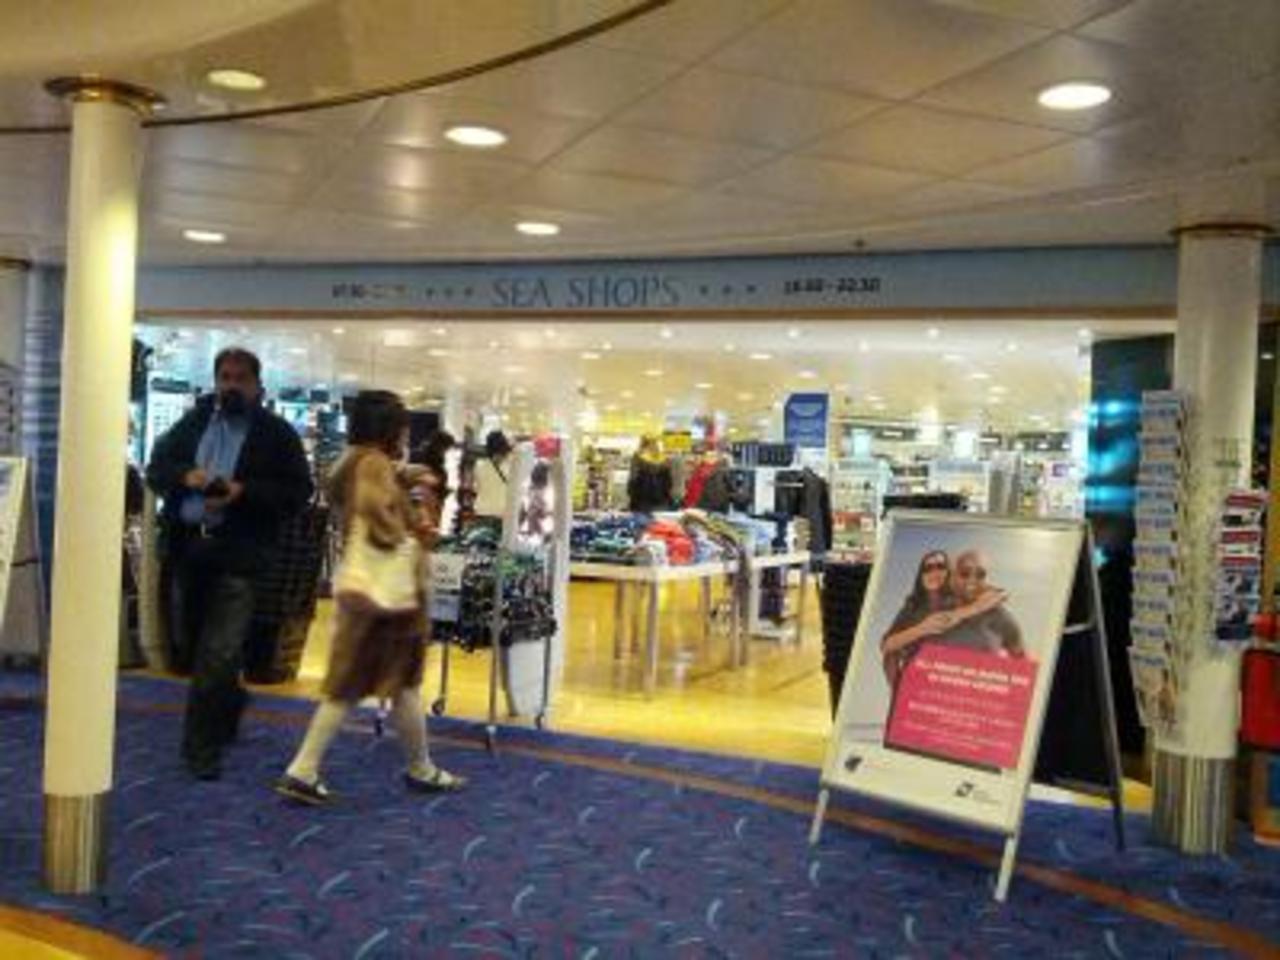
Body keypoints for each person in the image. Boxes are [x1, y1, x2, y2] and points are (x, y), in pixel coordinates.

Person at [276, 390, 465, 805]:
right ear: (391, 429)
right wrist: (416, 534)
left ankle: (418, 766)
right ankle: (305, 768)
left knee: (381, 685)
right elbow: (380, 521)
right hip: (388, 600)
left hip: (365, 593)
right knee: (374, 685)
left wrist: (406, 478)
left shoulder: (354, 461)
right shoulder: (374, 465)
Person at [147, 347, 312, 780]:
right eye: (225, 377)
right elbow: (156, 469)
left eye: (241, 378)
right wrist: (186, 477)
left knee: (218, 654)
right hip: (188, 552)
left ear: (257, 386)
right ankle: (231, 700)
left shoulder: (276, 434)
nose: (231, 385)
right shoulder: (193, 422)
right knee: (193, 650)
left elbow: (298, 492)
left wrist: (244, 492)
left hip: (239, 557)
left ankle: (200, 750)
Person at [937, 549, 1025, 656]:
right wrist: (976, 607)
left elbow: (1021, 656)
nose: (972, 580)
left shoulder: (1001, 616)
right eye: (965, 573)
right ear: (953, 576)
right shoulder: (934, 609)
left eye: (980, 574)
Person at [628, 435, 673, 513]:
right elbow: (669, 483)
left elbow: (633, 479)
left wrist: (631, 494)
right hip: (661, 501)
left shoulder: (638, 457)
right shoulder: (664, 459)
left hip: (641, 501)